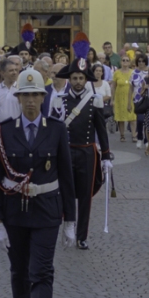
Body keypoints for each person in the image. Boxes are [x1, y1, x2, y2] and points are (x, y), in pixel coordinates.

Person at [0, 67, 77, 298]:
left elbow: (66, 175)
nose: (30, 101)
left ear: (43, 96)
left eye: (35, 95)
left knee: (42, 273)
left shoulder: (56, 129)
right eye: (25, 95)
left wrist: (70, 221)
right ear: (18, 97)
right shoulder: (4, 131)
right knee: (19, 272)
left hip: (46, 211)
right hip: (15, 213)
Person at [58, 59, 111, 249]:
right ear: (69, 79)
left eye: (81, 77)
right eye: (74, 78)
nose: (78, 81)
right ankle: (68, 228)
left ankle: (82, 236)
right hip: (66, 151)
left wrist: (105, 156)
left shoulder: (94, 99)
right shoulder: (60, 100)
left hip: (88, 152)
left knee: (86, 196)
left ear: (86, 79)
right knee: (66, 192)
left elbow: (101, 129)